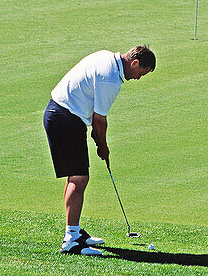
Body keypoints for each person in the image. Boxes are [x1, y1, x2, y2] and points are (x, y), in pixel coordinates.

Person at [43, 46, 156, 255]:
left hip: (62, 114)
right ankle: (71, 241)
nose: (138, 78)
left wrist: (98, 141)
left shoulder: (106, 57)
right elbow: (99, 121)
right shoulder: (110, 79)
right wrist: (103, 148)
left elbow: (96, 123)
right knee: (79, 179)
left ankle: (74, 232)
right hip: (65, 118)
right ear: (134, 63)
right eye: (141, 73)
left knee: (75, 177)